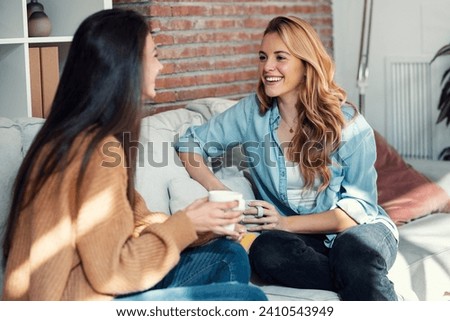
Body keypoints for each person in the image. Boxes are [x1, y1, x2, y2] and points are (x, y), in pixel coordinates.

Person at [1, 8, 267, 301]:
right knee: (249, 300)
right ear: (128, 66)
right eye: (154, 55)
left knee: (227, 254)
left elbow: (137, 221)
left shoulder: (77, 136)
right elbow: (112, 270)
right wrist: (187, 224)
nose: (161, 66)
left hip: (91, 287)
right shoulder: (95, 151)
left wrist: (201, 225)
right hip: (75, 303)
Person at [175, 16, 399, 301]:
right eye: (263, 57)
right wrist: (218, 188)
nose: (267, 67)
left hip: (363, 229)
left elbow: (357, 211)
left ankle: (366, 280)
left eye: (280, 57)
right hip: (303, 242)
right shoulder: (251, 113)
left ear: (306, 65)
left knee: (352, 253)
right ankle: (369, 283)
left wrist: (284, 223)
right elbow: (190, 143)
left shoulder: (349, 124)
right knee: (265, 251)